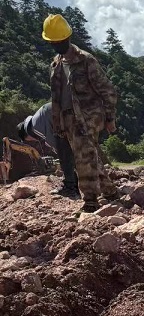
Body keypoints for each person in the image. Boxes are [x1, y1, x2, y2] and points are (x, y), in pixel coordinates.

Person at [43, 13, 119, 213]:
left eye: (59, 40)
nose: (57, 44)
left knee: (83, 157)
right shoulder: (55, 65)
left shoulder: (86, 61)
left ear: (68, 37)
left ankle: (90, 201)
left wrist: (110, 117)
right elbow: (56, 97)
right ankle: (110, 191)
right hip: (68, 118)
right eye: (54, 42)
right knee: (88, 154)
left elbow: (107, 90)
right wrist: (58, 123)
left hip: (88, 117)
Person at [17, 101, 79, 198]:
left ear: (26, 135)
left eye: (28, 140)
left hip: (65, 115)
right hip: (72, 111)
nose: (31, 140)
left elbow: (56, 143)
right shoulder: (38, 117)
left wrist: (61, 153)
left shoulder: (35, 128)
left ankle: (70, 189)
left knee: (65, 156)